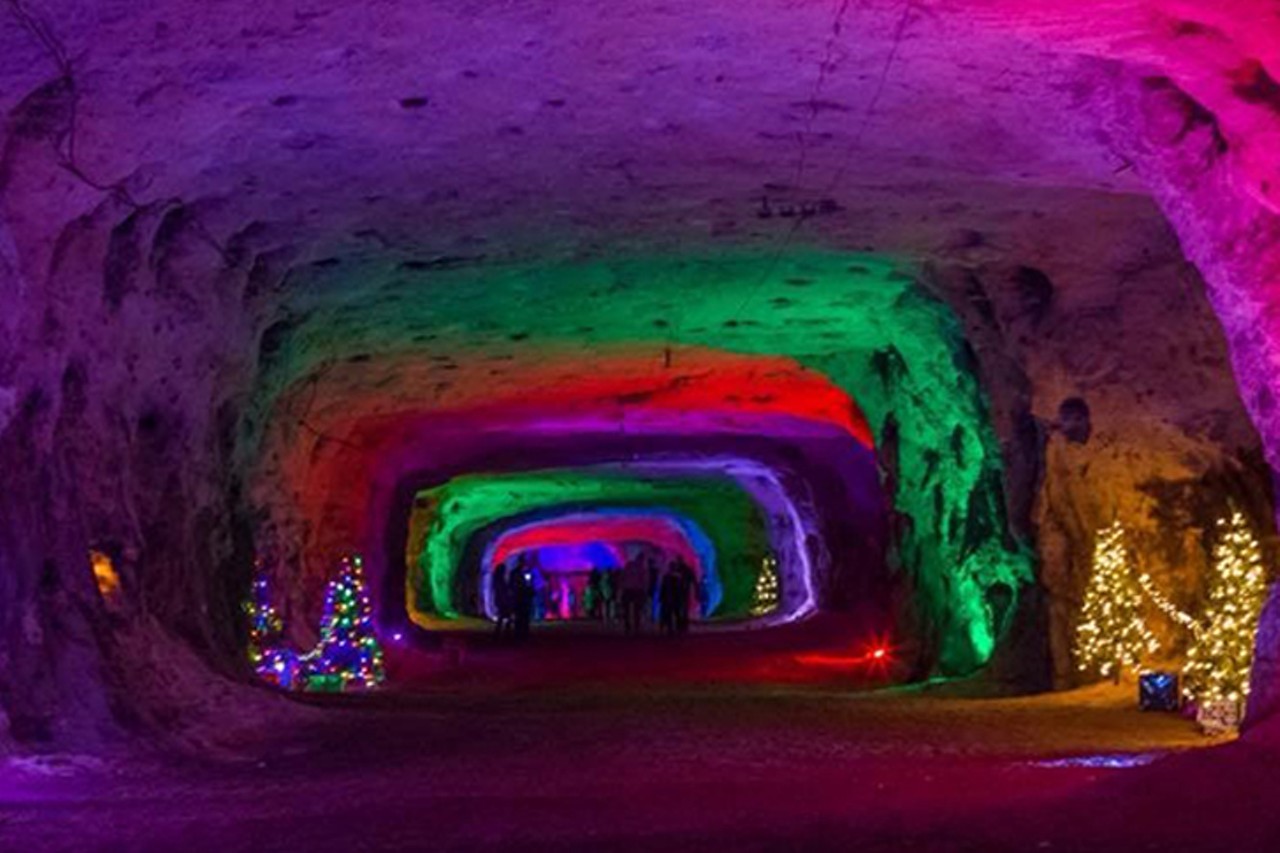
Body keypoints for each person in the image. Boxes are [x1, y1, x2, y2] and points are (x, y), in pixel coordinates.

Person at [674, 557, 696, 634]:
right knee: (683, 608)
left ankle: (681, 624)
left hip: (680, 591)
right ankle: (683, 624)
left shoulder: (680, 570)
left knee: (681, 608)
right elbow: (693, 580)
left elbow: (693, 580)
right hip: (682, 591)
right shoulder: (685, 570)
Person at [659, 565, 681, 636]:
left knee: (669, 613)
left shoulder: (667, 577)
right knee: (675, 613)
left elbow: (663, 588)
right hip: (674, 598)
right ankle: (675, 627)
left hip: (669, 598)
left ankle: (670, 627)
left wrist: (661, 597)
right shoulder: (677, 577)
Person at [492, 562, 512, 639]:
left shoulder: (497, 580)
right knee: (506, 616)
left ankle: (500, 632)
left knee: (503, 616)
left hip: (500, 600)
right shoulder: (501, 581)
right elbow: (503, 591)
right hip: (503, 601)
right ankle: (506, 632)